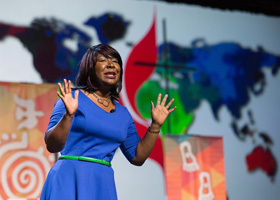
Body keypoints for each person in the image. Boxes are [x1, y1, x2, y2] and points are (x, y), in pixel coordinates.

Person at [40, 44, 176, 200]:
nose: (111, 64)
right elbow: (52, 145)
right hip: (69, 178)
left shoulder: (123, 114)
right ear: (90, 68)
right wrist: (68, 116)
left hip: (102, 183)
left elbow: (137, 157)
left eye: (115, 61)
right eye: (103, 60)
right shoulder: (72, 98)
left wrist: (155, 125)